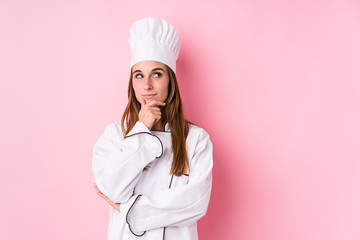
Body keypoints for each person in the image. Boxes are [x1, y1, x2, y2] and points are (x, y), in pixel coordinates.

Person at [92, 17, 213, 240]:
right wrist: (141, 130)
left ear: (171, 81)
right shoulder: (113, 136)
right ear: (132, 83)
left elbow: (196, 203)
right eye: (139, 75)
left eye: (157, 74)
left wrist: (128, 209)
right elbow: (111, 188)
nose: (147, 85)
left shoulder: (196, 140)